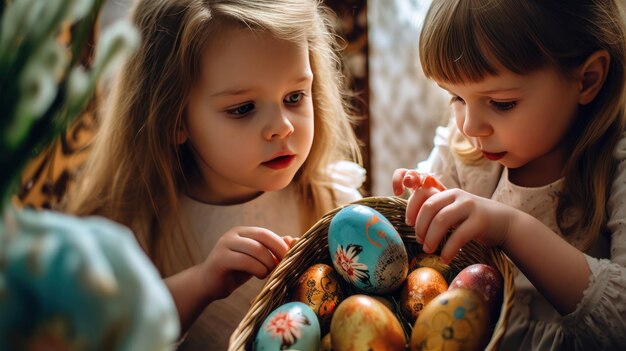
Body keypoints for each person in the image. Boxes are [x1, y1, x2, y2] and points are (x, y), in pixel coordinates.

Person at [67, 0, 365, 349]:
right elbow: (108, 335)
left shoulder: (331, 200)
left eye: (294, 96)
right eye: (243, 108)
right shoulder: (134, 228)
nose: (282, 127)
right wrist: (202, 283)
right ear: (174, 119)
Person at [392, 1, 626, 350]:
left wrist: (509, 228)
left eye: (502, 103)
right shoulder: (462, 152)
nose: (469, 126)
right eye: (456, 97)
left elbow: (619, 323)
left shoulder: (615, 166)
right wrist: (422, 209)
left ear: (587, 79)